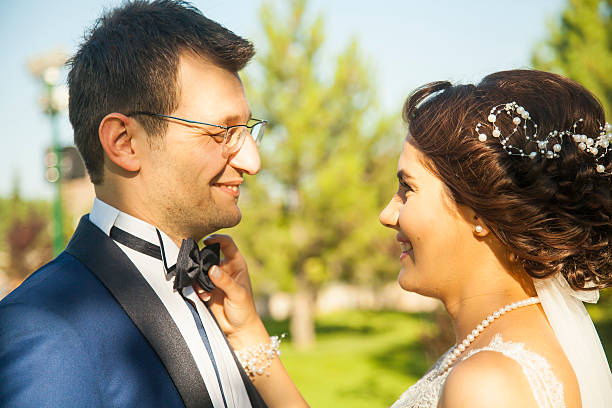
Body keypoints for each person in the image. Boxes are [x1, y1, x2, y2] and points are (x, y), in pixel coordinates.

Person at [198, 69, 612, 407]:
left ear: (479, 211)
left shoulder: (489, 383)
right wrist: (247, 331)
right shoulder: (505, 344)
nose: (386, 214)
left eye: (407, 188)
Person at [0, 1, 308, 407]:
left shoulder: (221, 298)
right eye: (222, 132)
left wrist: (250, 334)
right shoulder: (46, 329)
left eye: (248, 129)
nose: (253, 161)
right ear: (124, 143)